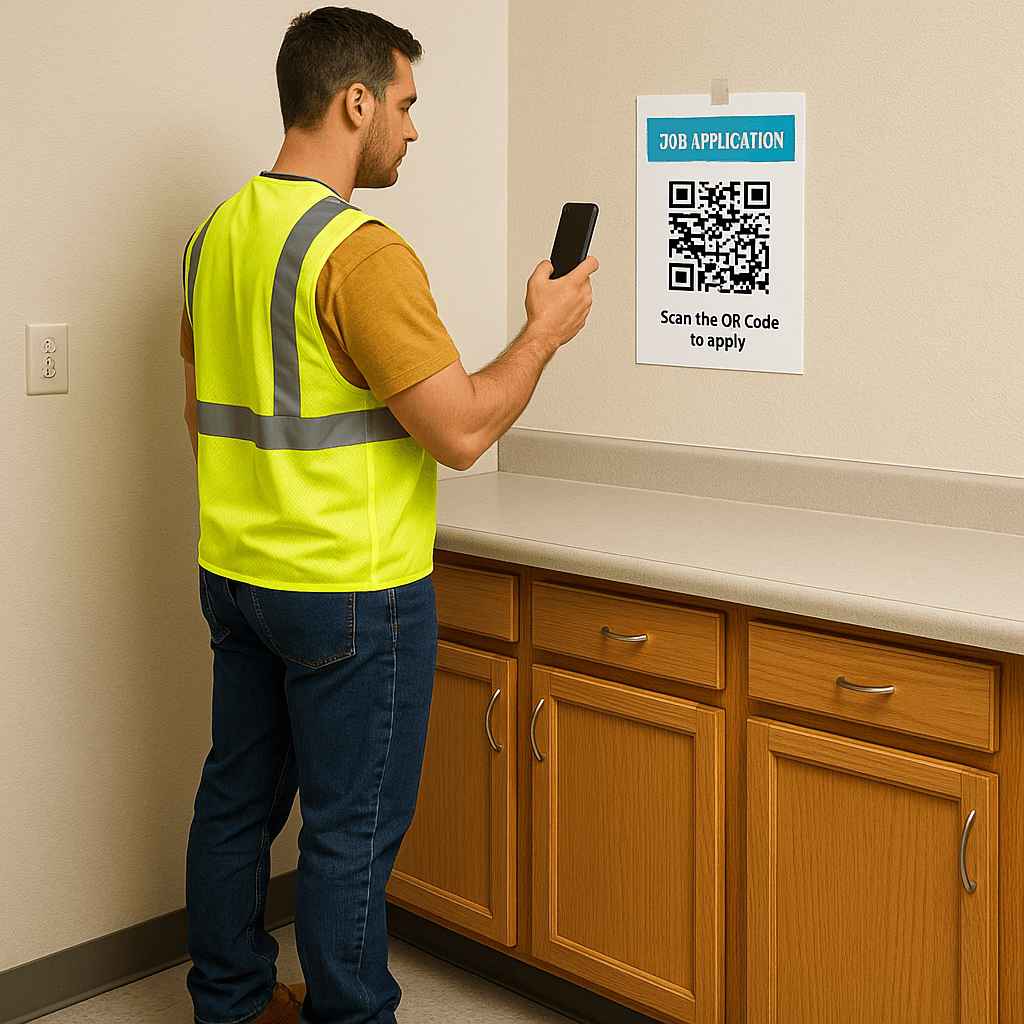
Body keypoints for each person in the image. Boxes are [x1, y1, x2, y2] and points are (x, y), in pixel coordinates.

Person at [180, 7, 599, 1024]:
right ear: (353, 100)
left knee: (235, 803)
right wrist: (540, 337)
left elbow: (202, 415)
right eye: (405, 104)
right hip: (352, 594)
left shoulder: (216, 234)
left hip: (239, 575)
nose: (413, 129)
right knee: (350, 831)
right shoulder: (359, 252)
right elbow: (459, 432)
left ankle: (229, 1005)